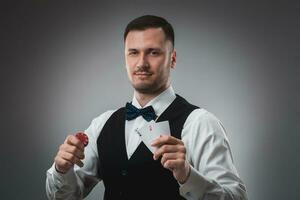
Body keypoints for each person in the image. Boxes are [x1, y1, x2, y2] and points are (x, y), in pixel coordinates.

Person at [46, 15, 248, 200]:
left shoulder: (200, 123)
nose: (141, 63)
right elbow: (66, 197)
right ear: (125, 59)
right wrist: (62, 170)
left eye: (153, 52)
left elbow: (236, 197)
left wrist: (188, 175)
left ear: (173, 59)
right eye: (133, 52)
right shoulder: (102, 124)